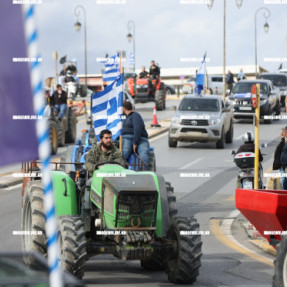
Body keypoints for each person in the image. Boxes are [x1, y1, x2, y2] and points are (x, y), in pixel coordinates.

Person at [122, 101, 150, 169]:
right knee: (125, 151)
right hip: (126, 138)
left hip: (140, 138)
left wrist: (135, 142)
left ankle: (144, 171)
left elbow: (138, 129)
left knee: (144, 153)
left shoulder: (135, 115)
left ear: (124, 108)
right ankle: (119, 168)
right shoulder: (122, 118)